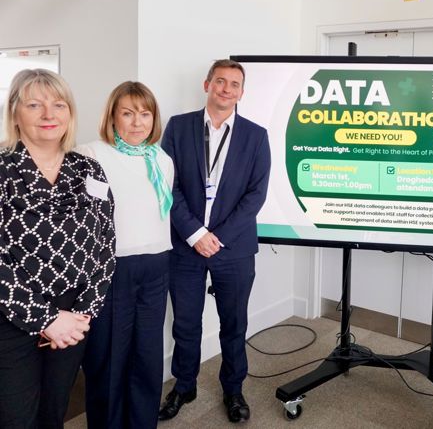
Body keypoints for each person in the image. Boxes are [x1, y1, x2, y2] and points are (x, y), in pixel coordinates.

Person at [0, 69, 116, 428]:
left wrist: (82, 314)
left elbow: (106, 244)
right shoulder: (3, 171)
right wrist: (46, 319)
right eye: (35, 105)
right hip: (12, 317)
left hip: (74, 316)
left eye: (58, 105)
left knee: (54, 410)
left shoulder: (88, 169)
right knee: (15, 417)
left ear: (70, 113)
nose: (49, 115)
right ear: (16, 114)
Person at [158, 59, 271, 423]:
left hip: (233, 249)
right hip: (185, 246)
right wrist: (195, 233)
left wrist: (216, 237)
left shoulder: (256, 136)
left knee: (233, 323)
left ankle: (233, 389)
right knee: (186, 323)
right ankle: (185, 385)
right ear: (207, 84)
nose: (226, 88)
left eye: (234, 84)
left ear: (242, 92)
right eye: (220, 81)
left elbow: (256, 195)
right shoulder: (178, 127)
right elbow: (167, 185)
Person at [78, 81, 174, 429]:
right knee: (108, 359)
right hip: (112, 268)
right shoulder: (91, 154)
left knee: (147, 357)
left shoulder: (161, 160)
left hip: (157, 265)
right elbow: (84, 218)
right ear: (113, 117)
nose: (137, 122)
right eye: (128, 113)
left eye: (145, 113)